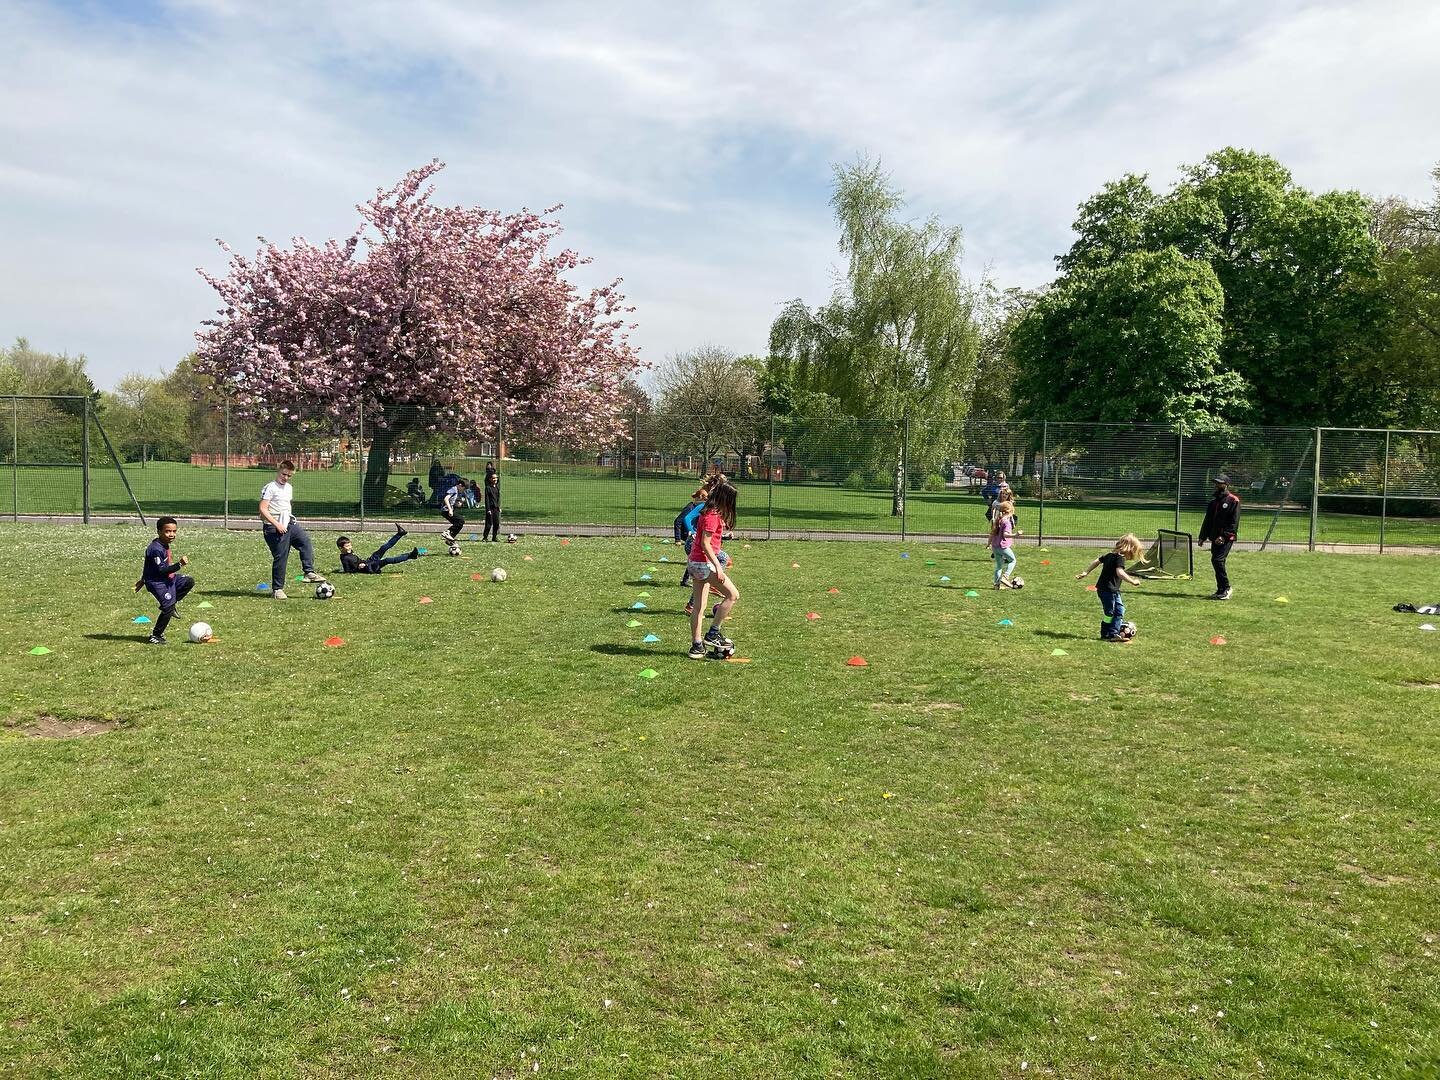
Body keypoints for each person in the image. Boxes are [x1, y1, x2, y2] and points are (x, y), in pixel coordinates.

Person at [686, 479, 740, 659]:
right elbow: (705, 544)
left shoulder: (708, 512)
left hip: (695, 564)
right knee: (732, 595)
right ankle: (713, 632)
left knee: (699, 608)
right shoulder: (712, 515)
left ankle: (697, 647)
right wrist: (718, 567)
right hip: (704, 564)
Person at [260, 461, 326, 600]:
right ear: (279, 471)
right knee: (281, 557)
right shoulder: (270, 488)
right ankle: (277, 590)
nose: (285, 478)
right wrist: (277, 524)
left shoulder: (289, 488)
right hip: (274, 528)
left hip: (289, 524)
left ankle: (309, 572)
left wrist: (287, 521)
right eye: (284, 474)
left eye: (289, 476)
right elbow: (263, 509)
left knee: (305, 542)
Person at [134, 516, 194, 644]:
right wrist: (179, 564)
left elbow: (148, 564)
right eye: (168, 531)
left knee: (188, 581)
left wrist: (142, 579)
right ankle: (155, 636)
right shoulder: (155, 548)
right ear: (159, 531)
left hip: (168, 579)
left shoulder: (163, 544)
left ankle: (171, 605)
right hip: (158, 582)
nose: (171, 534)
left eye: (174, 531)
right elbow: (160, 570)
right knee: (167, 608)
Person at [1076, 533, 1145, 640]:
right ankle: (1113, 634)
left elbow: (1096, 561)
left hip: (1105, 590)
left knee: (1112, 612)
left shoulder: (1109, 555)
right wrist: (1132, 581)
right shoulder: (1119, 558)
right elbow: (1120, 573)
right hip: (1109, 591)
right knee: (1115, 612)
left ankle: (1105, 634)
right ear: (1129, 548)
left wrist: (1086, 572)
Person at [1198, 473, 1241, 600]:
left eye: (1219, 483)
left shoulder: (1233, 500)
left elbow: (1234, 522)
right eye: (1216, 483)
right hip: (1214, 537)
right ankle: (1220, 589)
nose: (1217, 485)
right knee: (1216, 561)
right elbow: (1208, 520)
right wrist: (1202, 536)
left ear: (1226, 485)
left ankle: (1227, 588)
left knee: (1217, 560)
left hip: (1226, 538)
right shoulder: (1213, 502)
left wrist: (1224, 536)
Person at [337, 524, 419, 574]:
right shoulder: (345, 558)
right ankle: (410, 556)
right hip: (369, 568)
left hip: (368, 561)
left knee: (383, 548)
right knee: (387, 560)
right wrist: (358, 567)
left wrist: (363, 562)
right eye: (347, 546)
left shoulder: (349, 552)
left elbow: (356, 560)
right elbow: (348, 570)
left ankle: (400, 534)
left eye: (350, 545)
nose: (350, 548)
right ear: (341, 548)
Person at [989, 498, 1021, 589]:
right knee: (1013, 560)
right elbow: (1005, 535)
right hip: (1003, 547)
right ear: (1009, 512)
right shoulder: (1006, 522)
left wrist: (989, 544)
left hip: (995, 546)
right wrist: (1016, 534)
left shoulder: (997, 519)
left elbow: (992, 533)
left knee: (999, 566)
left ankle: (996, 585)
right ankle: (1005, 576)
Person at [439, 474, 467, 556]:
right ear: (460, 485)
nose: (463, 491)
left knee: (459, 522)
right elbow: (446, 498)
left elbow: (452, 501)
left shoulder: (457, 491)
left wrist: (458, 504)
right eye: (464, 489)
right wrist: (450, 509)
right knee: (460, 520)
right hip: (446, 510)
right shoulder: (453, 489)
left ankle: (449, 538)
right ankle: (448, 533)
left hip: (448, 510)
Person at [482, 465, 502, 541]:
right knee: (489, 524)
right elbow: (487, 499)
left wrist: (499, 507)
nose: (495, 479)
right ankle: (485, 537)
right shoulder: (488, 488)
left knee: (496, 523)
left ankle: (494, 537)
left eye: (496, 478)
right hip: (490, 508)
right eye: (493, 478)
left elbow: (498, 499)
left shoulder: (497, 488)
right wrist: (488, 510)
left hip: (496, 508)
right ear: (490, 479)